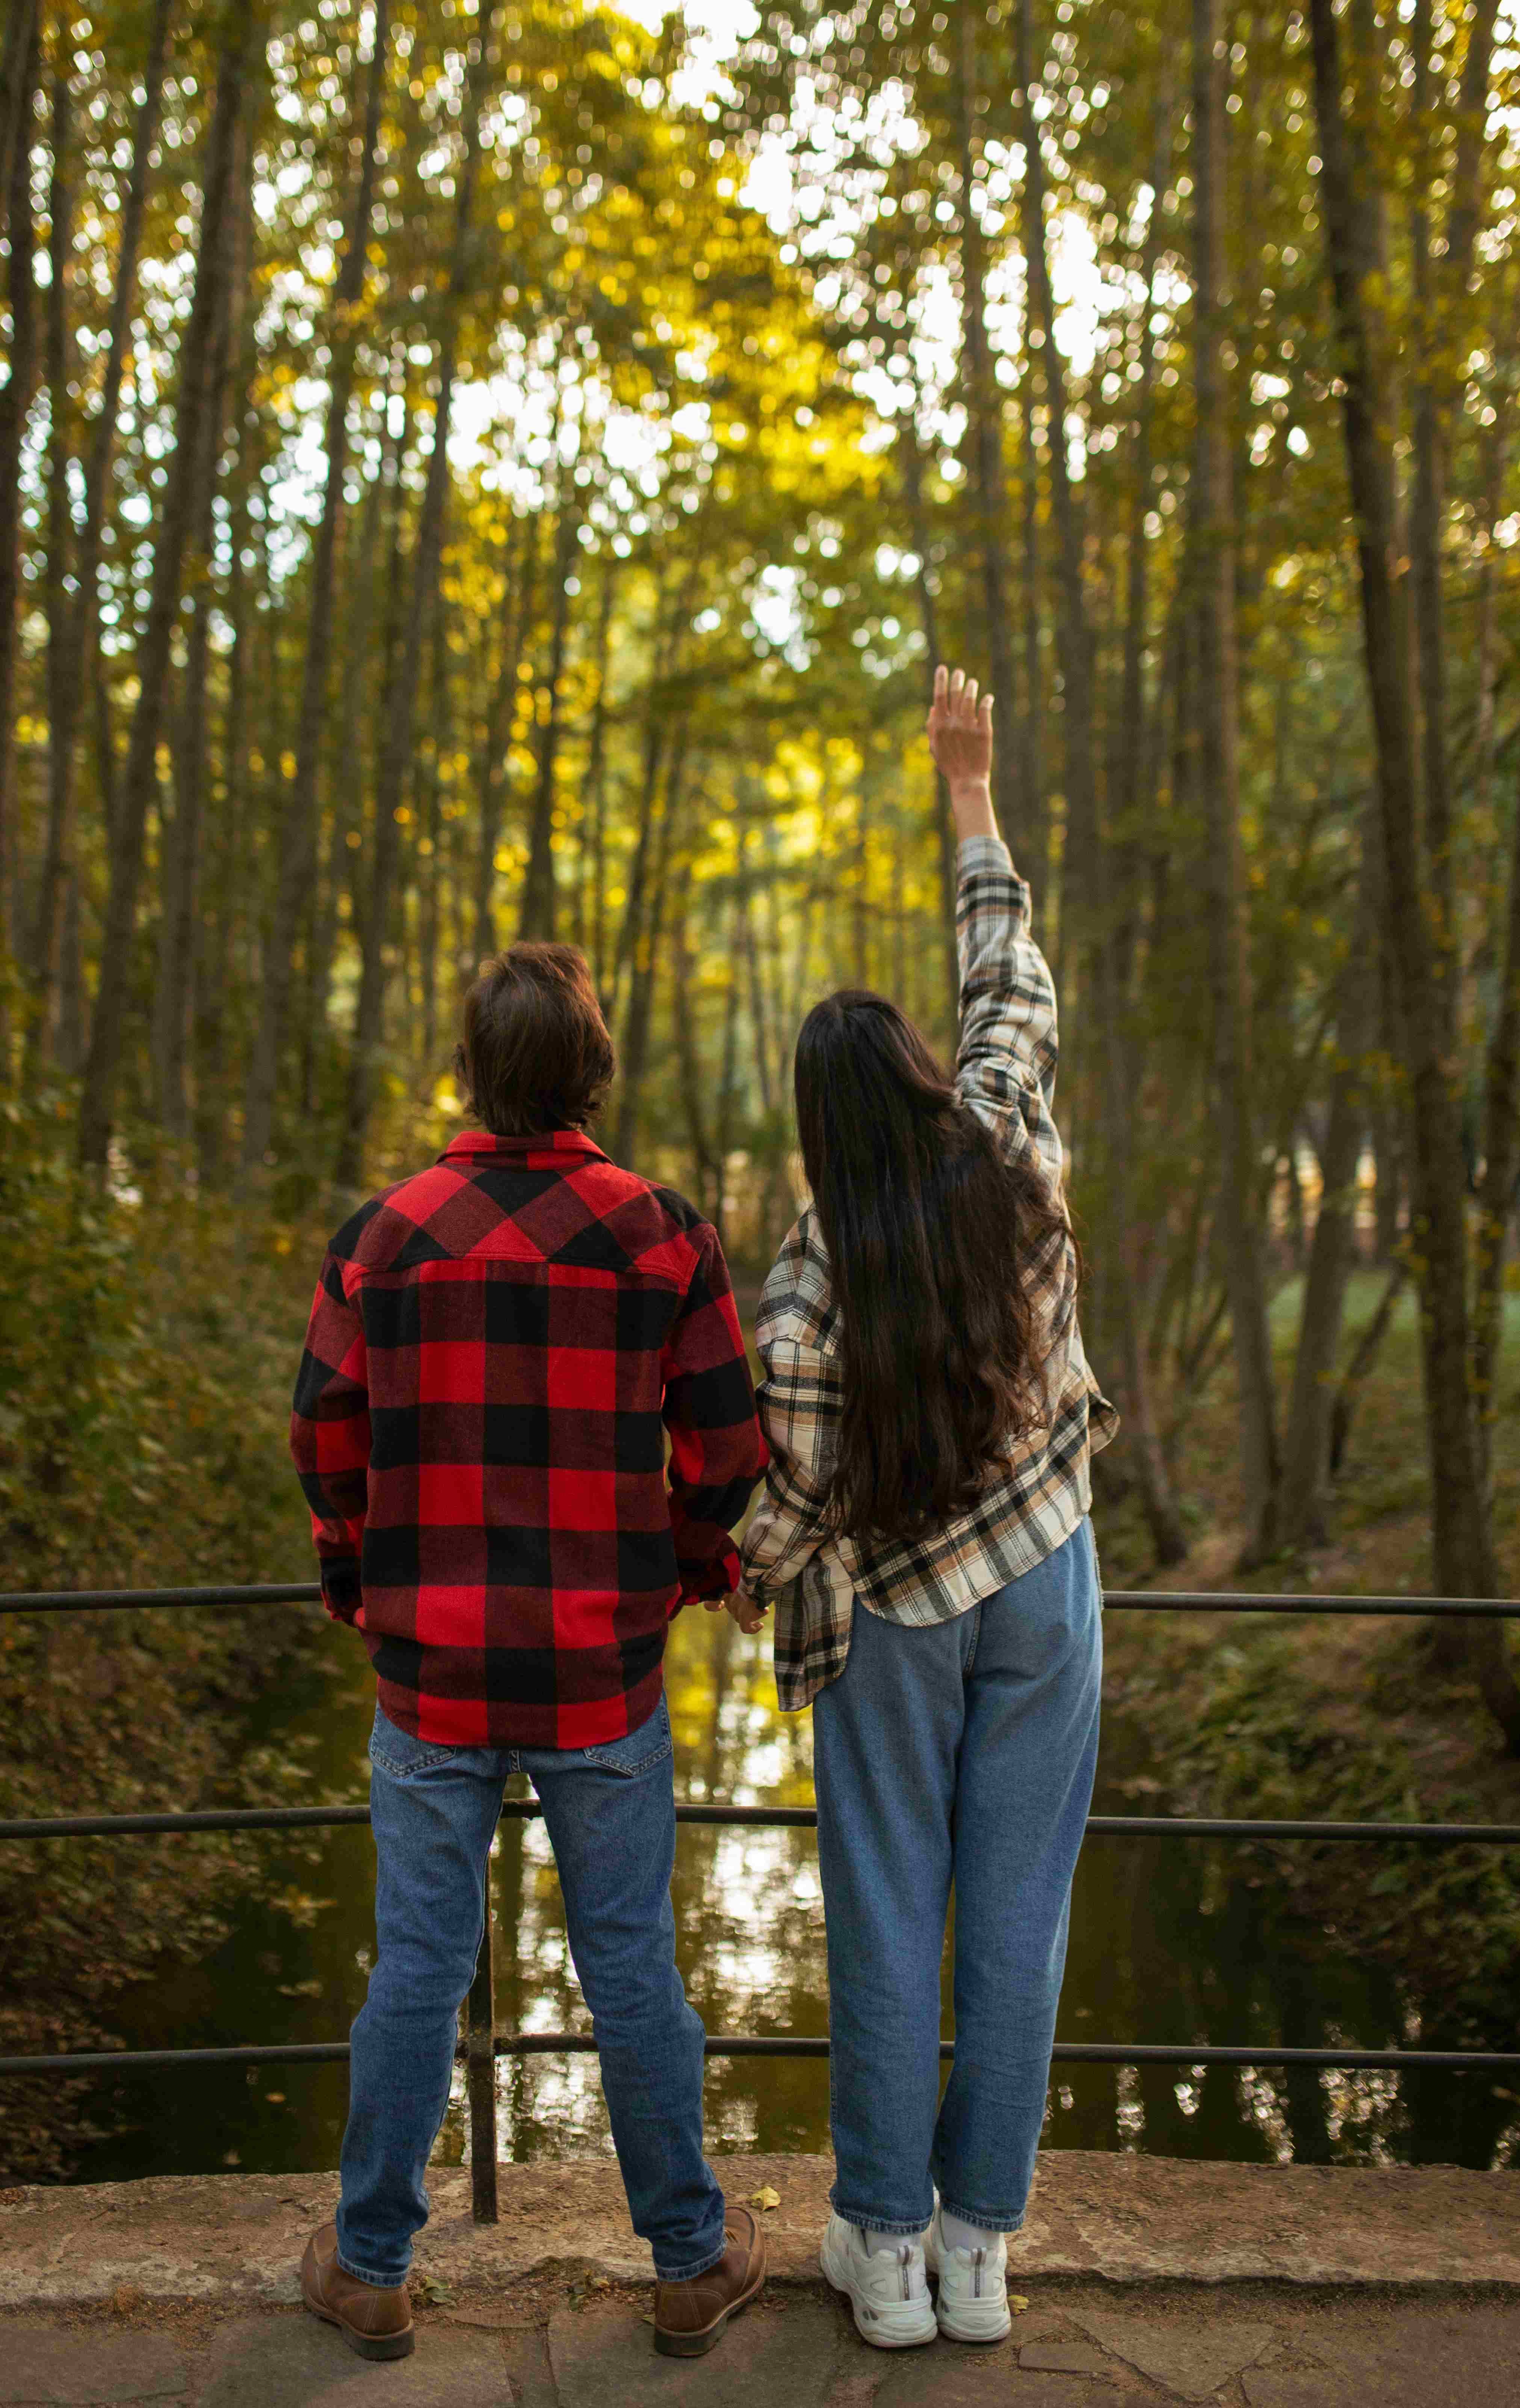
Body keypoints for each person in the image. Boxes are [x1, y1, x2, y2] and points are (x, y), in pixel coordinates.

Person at [290, 940, 770, 2362]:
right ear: (592, 1073)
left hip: (430, 1675)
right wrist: (680, 1567)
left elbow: (323, 1439)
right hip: (598, 1674)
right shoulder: (662, 1234)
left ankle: (371, 2264)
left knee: (418, 1972)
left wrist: (360, 1577)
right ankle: (687, 2261)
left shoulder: (385, 1236)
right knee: (632, 1968)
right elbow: (730, 1451)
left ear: (472, 1070)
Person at [735, 664, 1117, 2352]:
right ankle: (980, 2251)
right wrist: (966, 796)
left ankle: (881, 2256)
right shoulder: (1006, 1142)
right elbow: (1008, 977)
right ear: (911, 1071)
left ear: (817, 1128)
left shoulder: (811, 1284)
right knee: (1016, 1911)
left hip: (896, 1615)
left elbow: (788, 1494)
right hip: (1044, 1580)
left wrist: (749, 1571)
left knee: (888, 1907)